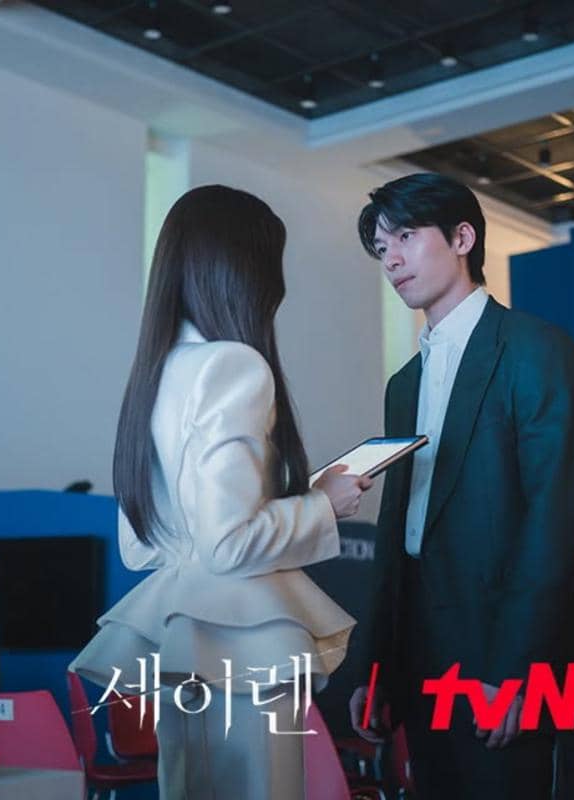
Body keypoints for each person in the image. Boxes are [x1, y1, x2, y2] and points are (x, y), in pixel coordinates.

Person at [70, 185, 370, 800]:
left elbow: (142, 546)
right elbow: (229, 543)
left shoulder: (154, 375)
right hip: (245, 641)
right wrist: (324, 505)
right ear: (246, 272)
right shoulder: (234, 365)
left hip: (181, 634)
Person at [348, 173, 574, 797]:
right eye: (381, 248)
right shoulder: (403, 383)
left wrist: (516, 672)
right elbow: (396, 533)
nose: (391, 259)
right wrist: (373, 669)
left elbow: (554, 523)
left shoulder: (537, 350)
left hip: (512, 653)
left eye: (406, 236)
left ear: (463, 238)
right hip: (418, 653)